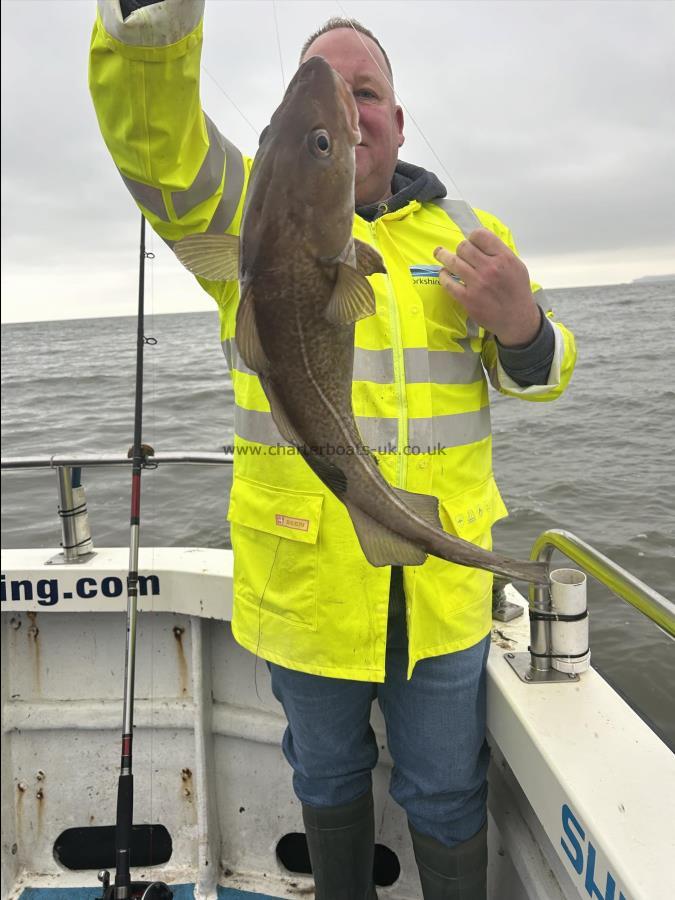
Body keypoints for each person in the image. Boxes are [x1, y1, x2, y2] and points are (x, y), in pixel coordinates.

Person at [89, 2, 576, 898]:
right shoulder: (240, 222)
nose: (348, 111)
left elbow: (540, 379)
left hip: (437, 590)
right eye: (313, 104)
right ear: (278, 134)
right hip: (307, 590)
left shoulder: (466, 233)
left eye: (365, 92)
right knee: (324, 776)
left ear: (389, 117)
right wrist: (144, 27)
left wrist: (524, 323)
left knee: (446, 786)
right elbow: (155, 147)